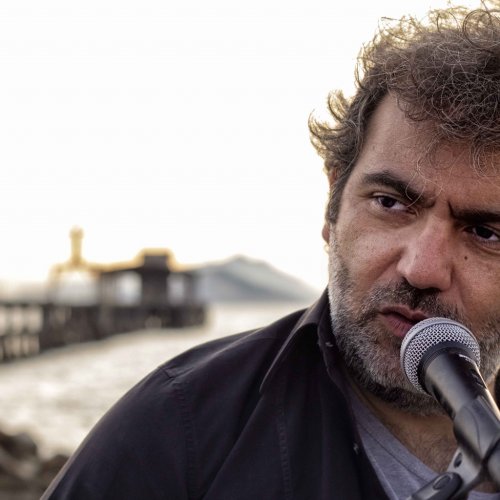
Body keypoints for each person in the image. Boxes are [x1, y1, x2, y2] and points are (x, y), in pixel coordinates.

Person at [43, 2, 500, 499]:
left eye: (485, 233)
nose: (422, 268)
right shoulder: (171, 436)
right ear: (332, 204)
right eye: (389, 203)